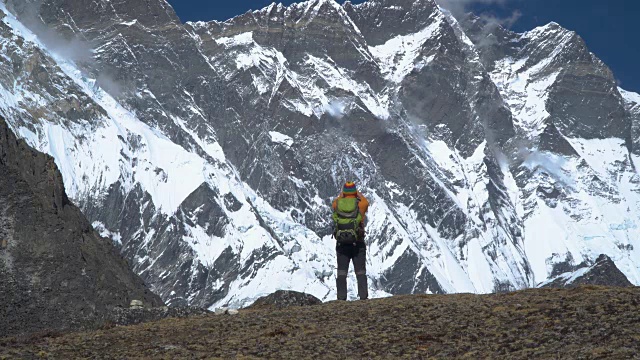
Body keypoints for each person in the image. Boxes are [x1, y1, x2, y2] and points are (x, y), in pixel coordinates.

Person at [331, 181, 369, 300]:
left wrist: (342, 195)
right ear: (355, 192)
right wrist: (357, 194)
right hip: (357, 242)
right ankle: (363, 297)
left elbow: (335, 202)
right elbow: (366, 202)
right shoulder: (360, 204)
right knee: (360, 272)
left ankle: (341, 298)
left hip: (342, 243)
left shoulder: (337, 204)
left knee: (342, 273)